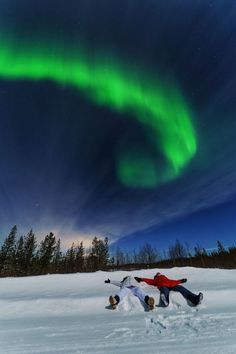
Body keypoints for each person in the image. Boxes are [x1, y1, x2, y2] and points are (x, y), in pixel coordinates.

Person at [135, 272, 203, 307]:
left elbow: (173, 281)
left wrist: (181, 281)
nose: (159, 275)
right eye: (157, 275)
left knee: (181, 288)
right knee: (164, 291)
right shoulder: (155, 280)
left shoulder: (165, 278)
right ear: (155, 277)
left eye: (159, 274)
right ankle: (165, 302)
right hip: (164, 286)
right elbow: (149, 280)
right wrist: (141, 279)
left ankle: (195, 299)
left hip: (170, 285)